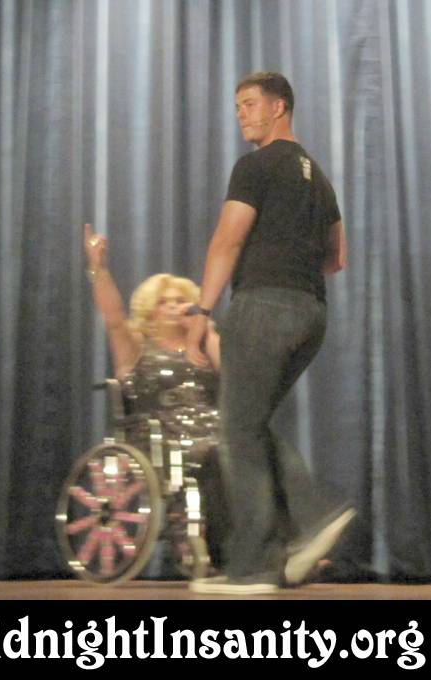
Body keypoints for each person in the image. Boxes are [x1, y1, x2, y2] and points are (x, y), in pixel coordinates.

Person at [185, 72, 355, 594]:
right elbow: (337, 258)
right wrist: (294, 267)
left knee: (237, 430)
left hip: (263, 306)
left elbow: (227, 240)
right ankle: (283, 549)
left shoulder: (256, 165)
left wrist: (201, 310)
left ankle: (277, 548)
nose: (241, 114)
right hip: (311, 313)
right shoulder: (318, 178)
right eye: (237, 106)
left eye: (250, 104)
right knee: (249, 423)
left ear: (279, 106)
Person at [83, 224, 228, 570]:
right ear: (150, 310)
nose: (174, 306)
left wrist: (207, 330)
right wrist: (99, 269)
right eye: (165, 302)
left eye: (180, 301)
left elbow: (232, 373)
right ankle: (197, 541)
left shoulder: (201, 344)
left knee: (246, 447)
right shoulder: (135, 347)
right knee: (213, 452)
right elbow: (114, 319)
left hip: (214, 427)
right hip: (159, 435)